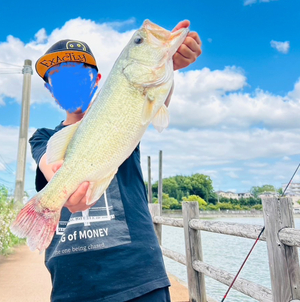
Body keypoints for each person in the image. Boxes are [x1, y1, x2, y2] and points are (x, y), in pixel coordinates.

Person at [29, 20, 202, 302]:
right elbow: (52, 169)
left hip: (140, 277)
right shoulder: (44, 137)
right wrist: (63, 192)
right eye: (58, 77)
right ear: (50, 89)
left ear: (98, 80)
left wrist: (169, 65)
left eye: (78, 74)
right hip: (72, 285)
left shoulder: (124, 120)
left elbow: (148, 100)